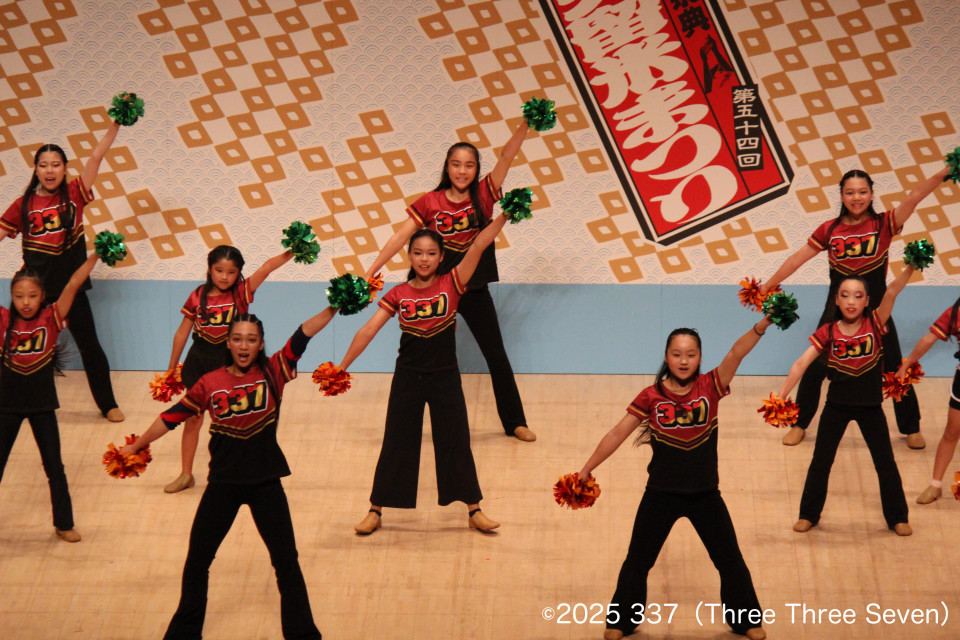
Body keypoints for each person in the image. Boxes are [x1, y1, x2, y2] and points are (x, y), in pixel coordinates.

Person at [120, 308, 334, 639]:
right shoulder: (210, 382)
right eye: (237, 339)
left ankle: (304, 636)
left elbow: (304, 333)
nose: (244, 345)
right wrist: (136, 446)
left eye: (251, 339)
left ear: (261, 343)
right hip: (222, 485)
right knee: (197, 562)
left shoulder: (274, 370)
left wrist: (335, 305)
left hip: (265, 483)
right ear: (228, 343)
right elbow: (172, 416)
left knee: (286, 563)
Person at [579, 319, 772, 640]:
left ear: (700, 357)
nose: (684, 361)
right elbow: (617, 433)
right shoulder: (650, 396)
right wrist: (586, 469)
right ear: (666, 356)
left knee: (730, 560)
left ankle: (746, 621)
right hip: (660, 494)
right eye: (677, 354)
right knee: (637, 562)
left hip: (706, 495)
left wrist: (762, 324)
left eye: (691, 355)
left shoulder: (711, 385)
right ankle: (621, 621)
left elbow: (736, 353)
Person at [344, 208, 518, 535]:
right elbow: (368, 331)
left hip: (445, 377)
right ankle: (375, 510)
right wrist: (341, 368)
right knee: (396, 442)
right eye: (418, 253)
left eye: (431, 253)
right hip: (408, 377)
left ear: (441, 257)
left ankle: (474, 509)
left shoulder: (454, 282)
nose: (424, 259)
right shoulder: (397, 293)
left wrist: (505, 215)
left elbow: (479, 244)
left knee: (456, 440)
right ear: (409, 256)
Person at [363, 121, 536, 442]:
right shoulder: (430, 201)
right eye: (456, 164)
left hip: (473, 289)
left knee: (496, 354)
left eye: (469, 165)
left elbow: (507, 157)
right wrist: (372, 268)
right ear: (447, 167)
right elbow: (400, 237)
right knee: (430, 358)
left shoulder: (484, 195)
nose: (462, 171)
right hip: (438, 292)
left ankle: (515, 422)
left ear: (476, 169)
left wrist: (526, 124)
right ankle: (419, 423)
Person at [760, 164, 949, 448]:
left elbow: (914, 197)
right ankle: (800, 423)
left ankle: (911, 427)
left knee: (894, 365)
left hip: (876, 309)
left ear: (872, 195)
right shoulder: (829, 229)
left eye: (862, 192)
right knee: (815, 366)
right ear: (841, 196)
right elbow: (798, 258)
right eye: (850, 192)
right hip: (836, 308)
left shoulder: (885, 223)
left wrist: (945, 172)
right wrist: (768, 285)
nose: (856, 198)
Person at [0, 121, 135, 422]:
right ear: (35, 169)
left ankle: (108, 404)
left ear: (64, 169)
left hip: (71, 288)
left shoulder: (75, 193)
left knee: (90, 347)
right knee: (15, 348)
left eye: (56, 165)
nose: (50, 170)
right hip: (33, 291)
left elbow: (96, 157)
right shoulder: (23, 204)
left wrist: (115, 123)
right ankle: (12, 404)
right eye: (43, 165)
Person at [777, 263, 918, 536]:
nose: (851, 301)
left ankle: (898, 517)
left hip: (871, 408)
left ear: (867, 301)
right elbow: (801, 363)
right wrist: (782, 395)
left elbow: (891, 292)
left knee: (885, 464)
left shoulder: (876, 323)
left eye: (857, 296)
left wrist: (911, 267)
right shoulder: (828, 332)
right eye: (845, 295)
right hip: (836, 408)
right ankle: (808, 515)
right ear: (836, 300)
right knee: (820, 462)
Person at [161, 244, 294, 494]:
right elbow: (182, 332)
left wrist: (293, 251)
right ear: (210, 270)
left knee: (234, 417)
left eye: (231, 272)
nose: (224, 276)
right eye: (219, 270)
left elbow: (267, 267)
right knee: (192, 418)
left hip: (229, 363)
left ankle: (242, 468)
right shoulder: (197, 295)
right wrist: (171, 369)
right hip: (198, 361)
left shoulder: (242, 292)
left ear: (239, 273)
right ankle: (186, 473)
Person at [0, 251, 104, 542]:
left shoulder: (51, 318)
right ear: (11, 297)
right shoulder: (3, 321)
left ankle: (64, 523)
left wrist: (95, 257)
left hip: (42, 406)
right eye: (19, 296)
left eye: (32, 296)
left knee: (54, 467)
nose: (26, 302)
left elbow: (72, 283)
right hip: (6, 406)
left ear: (43, 296)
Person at [896, 298, 960, 503]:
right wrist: (907, 365)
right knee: (952, 431)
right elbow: (928, 339)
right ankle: (935, 485)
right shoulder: (956, 313)